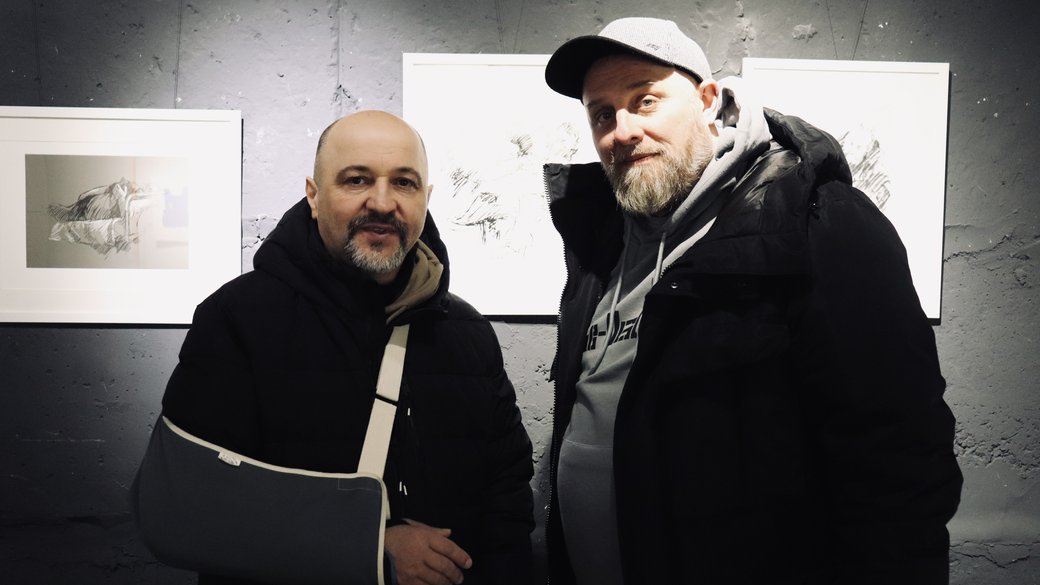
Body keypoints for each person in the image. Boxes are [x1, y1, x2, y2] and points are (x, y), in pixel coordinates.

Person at [541, 17, 962, 585]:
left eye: (645, 101)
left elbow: (900, 465)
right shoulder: (600, 247)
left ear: (708, 102)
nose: (622, 130)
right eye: (602, 114)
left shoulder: (817, 222)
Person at [134, 110, 534, 585]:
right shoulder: (237, 319)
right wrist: (370, 548)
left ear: (425, 199)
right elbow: (184, 505)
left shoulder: (467, 332)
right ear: (314, 195)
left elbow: (506, 497)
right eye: (356, 180)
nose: (382, 202)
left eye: (404, 183)